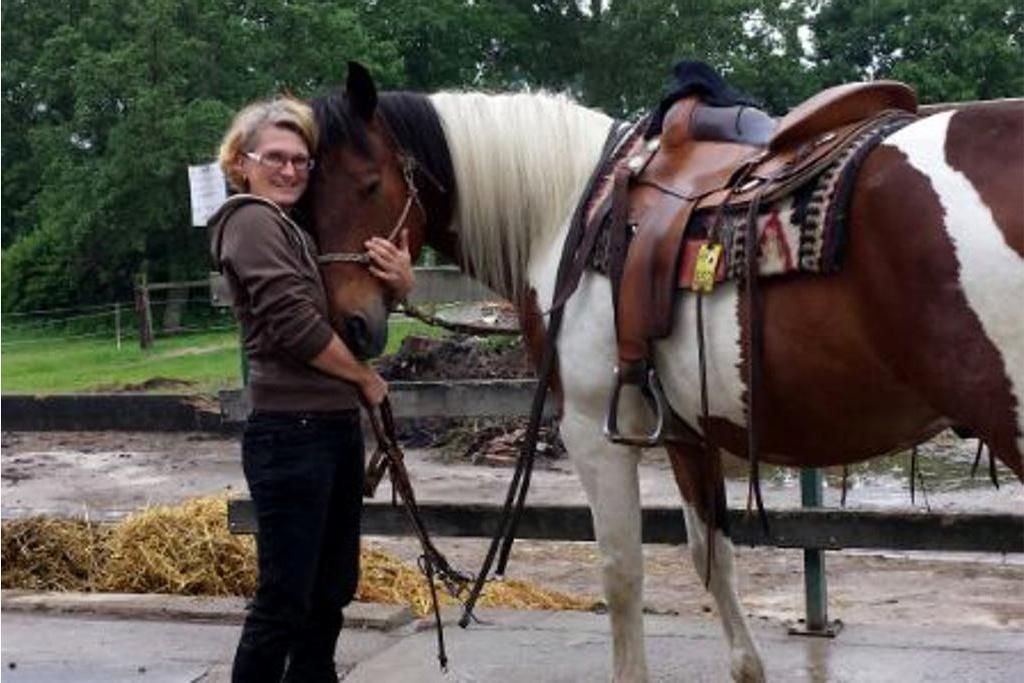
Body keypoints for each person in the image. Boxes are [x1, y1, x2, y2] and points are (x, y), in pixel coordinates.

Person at [209, 96, 413, 682]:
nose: (290, 169)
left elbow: (343, 323)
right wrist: (364, 380)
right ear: (241, 162)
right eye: (275, 156)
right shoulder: (248, 222)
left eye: (301, 160)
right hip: (290, 435)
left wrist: (397, 288)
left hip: (329, 430)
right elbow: (297, 327)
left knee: (330, 591)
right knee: (283, 601)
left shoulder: (293, 229)